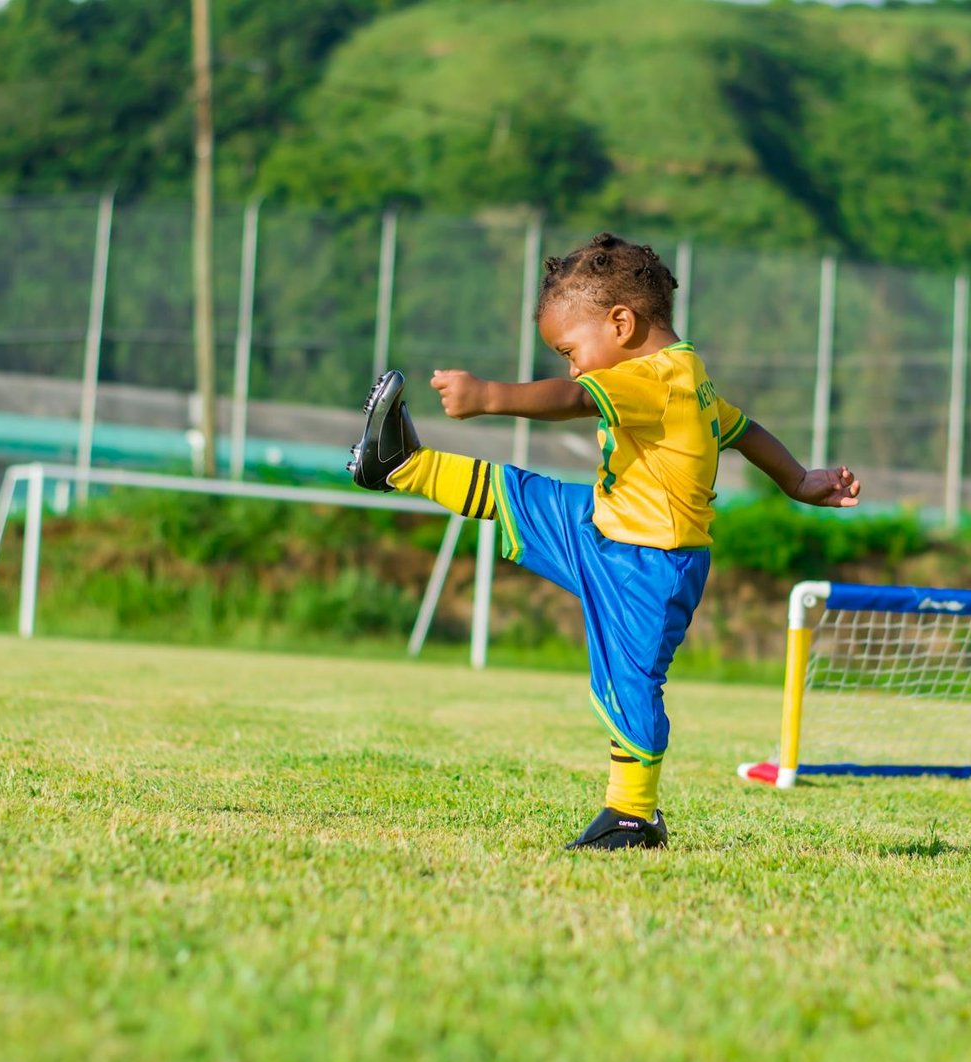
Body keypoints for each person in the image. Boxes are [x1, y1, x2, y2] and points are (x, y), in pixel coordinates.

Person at [348, 233, 860, 850]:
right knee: (520, 496)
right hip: (603, 526)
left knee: (628, 680)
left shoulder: (650, 378)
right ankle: (399, 463)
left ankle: (633, 816)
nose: (571, 366)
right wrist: (798, 479)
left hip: (649, 566)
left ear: (621, 323)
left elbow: (573, 399)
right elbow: (742, 428)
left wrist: (489, 397)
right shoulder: (686, 373)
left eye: (569, 349)